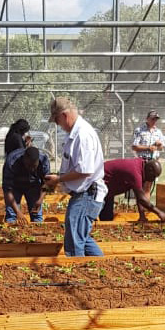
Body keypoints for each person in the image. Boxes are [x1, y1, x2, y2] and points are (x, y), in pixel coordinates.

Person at [44, 96, 107, 256]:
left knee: (73, 242)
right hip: (84, 194)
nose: (58, 125)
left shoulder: (82, 134)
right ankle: (101, 269)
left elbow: (85, 170)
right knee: (81, 238)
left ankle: (77, 277)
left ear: (64, 115)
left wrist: (59, 179)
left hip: (87, 195)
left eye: (57, 120)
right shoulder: (75, 133)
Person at [99, 157, 165, 222]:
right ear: (149, 170)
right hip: (98, 184)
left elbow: (139, 195)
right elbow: (141, 198)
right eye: (153, 176)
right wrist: (159, 212)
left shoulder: (141, 168)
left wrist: (142, 216)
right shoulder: (135, 172)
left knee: (106, 218)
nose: (153, 179)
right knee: (91, 215)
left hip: (108, 191)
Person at [2, 145, 50, 224]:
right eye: (28, 165)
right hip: (15, 186)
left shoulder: (44, 161)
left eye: (34, 166)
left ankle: (37, 234)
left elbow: (46, 183)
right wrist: (18, 212)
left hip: (33, 185)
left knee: (36, 215)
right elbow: (7, 190)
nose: (31, 169)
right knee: (11, 216)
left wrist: (39, 200)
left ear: (38, 161)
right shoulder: (11, 161)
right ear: (24, 159)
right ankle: (11, 234)